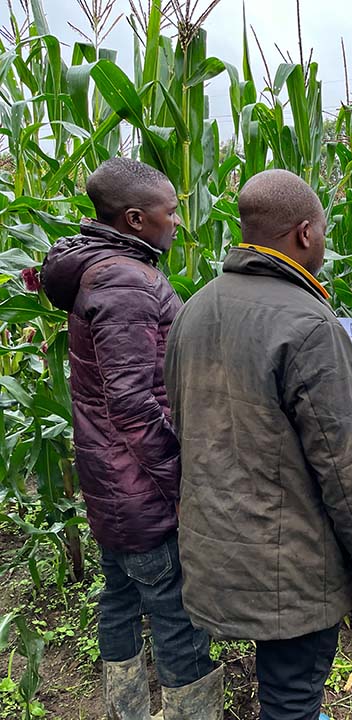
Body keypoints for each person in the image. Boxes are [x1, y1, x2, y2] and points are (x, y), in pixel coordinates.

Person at [164, 169, 352, 720]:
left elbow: (184, 423)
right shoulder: (310, 324)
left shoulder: (194, 307)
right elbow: (347, 464)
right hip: (288, 559)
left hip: (215, 545)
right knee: (292, 698)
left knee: (283, 687)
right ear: (304, 234)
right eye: (323, 230)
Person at [41, 158, 221, 719]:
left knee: (119, 598)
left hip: (111, 482)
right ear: (138, 219)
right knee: (175, 614)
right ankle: (193, 710)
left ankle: (127, 710)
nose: (177, 223)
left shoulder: (101, 269)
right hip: (141, 489)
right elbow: (135, 405)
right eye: (171, 212)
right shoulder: (125, 281)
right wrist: (182, 482)